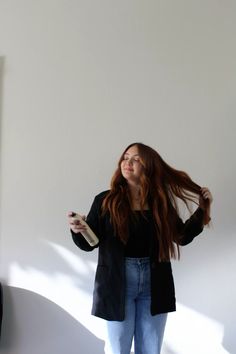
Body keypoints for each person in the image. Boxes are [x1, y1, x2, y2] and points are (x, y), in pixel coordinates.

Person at [68, 142, 213, 354]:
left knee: (150, 349)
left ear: (149, 167)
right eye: (126, 157)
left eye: (137, 159)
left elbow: (180, 237)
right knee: (118, 349)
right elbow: (90, 244)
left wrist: (202, 210)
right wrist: (78, 229)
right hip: (118, 281)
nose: (128, 162)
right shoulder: (105, 201)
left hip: (155, 281)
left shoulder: (160, 202)